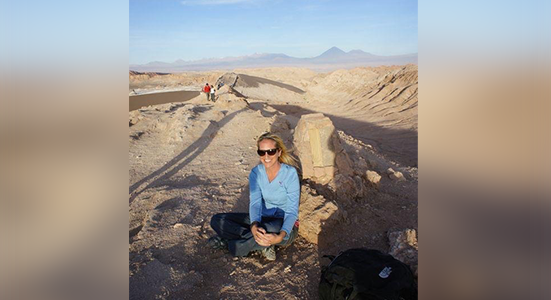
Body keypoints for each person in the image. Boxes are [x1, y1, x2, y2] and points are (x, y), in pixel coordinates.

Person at [209, 132, 300, 261]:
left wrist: (280, 236)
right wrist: (254, 225)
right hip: (263, 218)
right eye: (262, 152)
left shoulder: (290, 173)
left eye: (271, 151)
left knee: (271, 229)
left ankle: (231, 244)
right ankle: (261, 244)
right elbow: (255, 203)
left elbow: (292, 211)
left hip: (283, 225)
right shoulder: (256, 173)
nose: (266, 156)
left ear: (279, 152)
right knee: (217, 220)